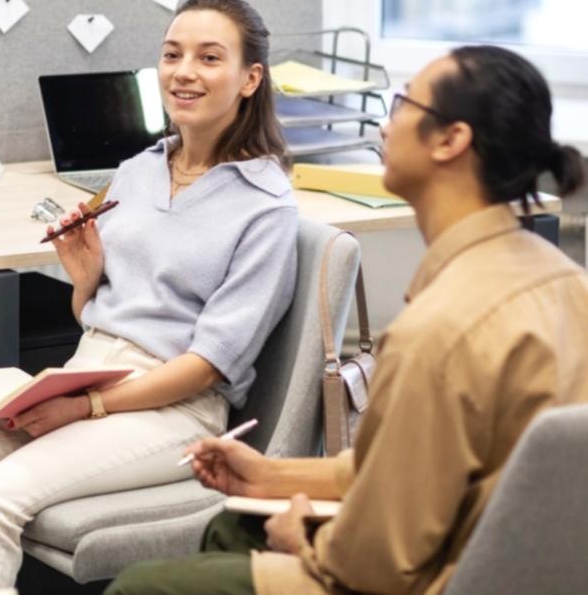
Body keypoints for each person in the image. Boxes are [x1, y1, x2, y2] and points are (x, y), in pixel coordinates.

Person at [107, 45, 588, 595]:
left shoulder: (439, 329)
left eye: (404, 105)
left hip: (432, 576)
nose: (387, 122)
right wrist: (274, 477)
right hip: (518, 563)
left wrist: (302, 538)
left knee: (142, 586)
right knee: (235, 524)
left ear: (451, 140)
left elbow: (377, 560)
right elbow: (415, 471)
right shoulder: (567, 283)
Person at [0, 0, 299, 587]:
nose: (183, 72)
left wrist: (85, 407)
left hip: (171, 408)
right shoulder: (139, 168)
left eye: (209, 58)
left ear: (250, 78)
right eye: (172, 54)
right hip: (87, 372)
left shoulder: (265, 207)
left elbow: (207, 366)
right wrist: (85, 282)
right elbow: (100, 317)